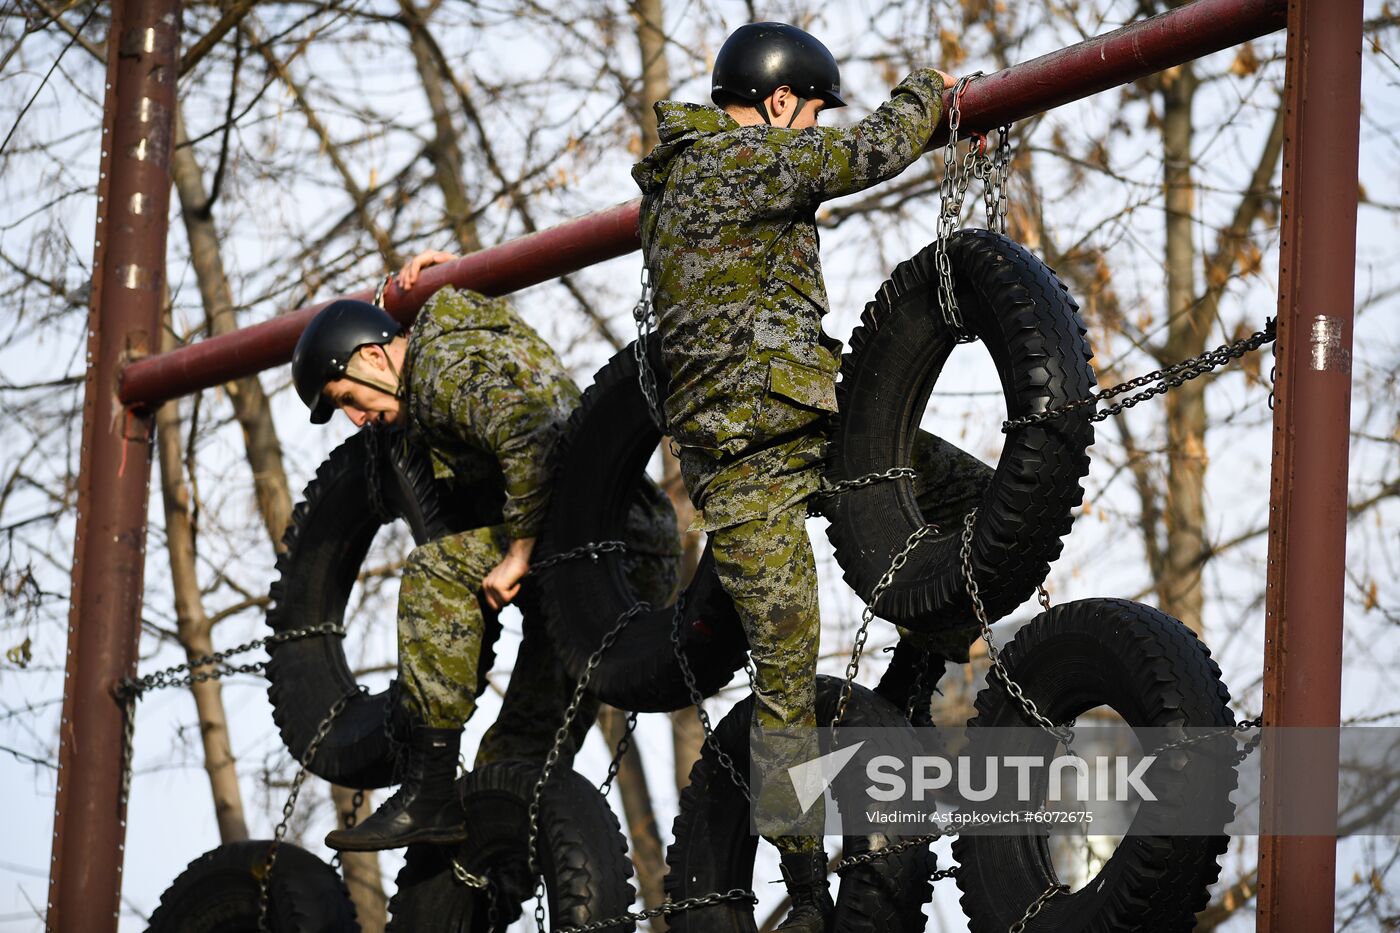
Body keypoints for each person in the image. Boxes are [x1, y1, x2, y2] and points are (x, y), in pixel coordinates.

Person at [632, 22, 952, 931]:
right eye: (808, 113)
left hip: (815, 424)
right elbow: (877, 149)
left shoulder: (681, 179)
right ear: (778, 104)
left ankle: (901, 695)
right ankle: (807, 892)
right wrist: (929, 87)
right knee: (783, 673)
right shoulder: (731, 160)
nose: (811, 128)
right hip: (751, 467)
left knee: (968, 501)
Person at [291, 251, 680, 851]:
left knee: (436, 571)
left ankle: (429, 792)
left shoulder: (441, 369)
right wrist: (402, 292)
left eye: (347, 398)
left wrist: (517, 552)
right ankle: (486, 879)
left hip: (603, 545)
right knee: (513, 763)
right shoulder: (439, 358)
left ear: (373, 356)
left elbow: (529, 435)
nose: (354, 420)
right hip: (610, 547)